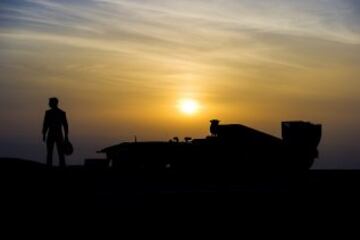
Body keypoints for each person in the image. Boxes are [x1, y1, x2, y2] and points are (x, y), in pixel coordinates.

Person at [42, 97, 69, 167]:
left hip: (53, 134)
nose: (49, 104)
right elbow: (65, 126)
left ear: (53, 103)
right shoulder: (61, 113)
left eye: (50, 102)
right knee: (59, 152)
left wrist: (44, 134)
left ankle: (50, 165)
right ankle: (61, 165)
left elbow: (45, 124)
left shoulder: (49, 113)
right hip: (57, 134)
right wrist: (66, 136)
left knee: (52, 152)